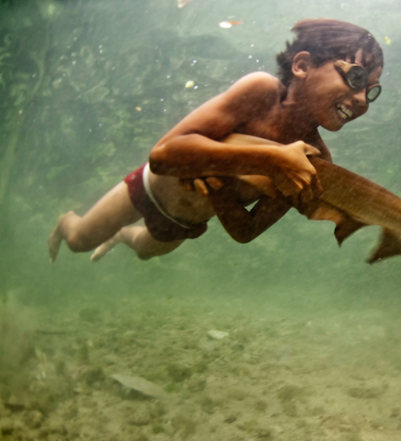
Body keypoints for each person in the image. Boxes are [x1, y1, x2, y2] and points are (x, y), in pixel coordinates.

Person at [48, 19, 383, 262]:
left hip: (184, 222)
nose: (363, 99)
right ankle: (66, 220)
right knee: (79, 240)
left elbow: (246, 231)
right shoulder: (261, 92)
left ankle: (121, 235)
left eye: (372, 91)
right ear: (302, 65)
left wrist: (220, 188)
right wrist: (275, 159)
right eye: (356, 77)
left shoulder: (315, 161)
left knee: (144, 251)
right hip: (149, 188)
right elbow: (164, 156)